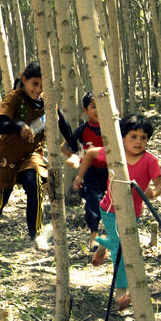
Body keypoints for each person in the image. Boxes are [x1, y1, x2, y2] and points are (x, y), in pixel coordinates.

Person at [71, 114, 161, 311]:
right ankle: (121, 293)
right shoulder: (115, 155)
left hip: (133, 212)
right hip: (109, 209)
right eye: (133, 137)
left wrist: (154, 193)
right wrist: (80, 176)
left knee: (118, 240)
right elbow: (90, 153)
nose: (138, 142)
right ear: (122, 137)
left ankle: (102, 245)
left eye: (143, 138)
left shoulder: (150, 160)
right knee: (121, 250)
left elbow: (160, 183)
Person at [0, 62, 73, 252]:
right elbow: (1, 125)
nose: (38, 90)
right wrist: (19, 127)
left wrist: (75, 147)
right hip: (9, 154)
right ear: (24, 80)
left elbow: (63, 124)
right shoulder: (13, 98)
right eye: (34, 84)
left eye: (42, 86)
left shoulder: (47, 101)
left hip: (32, 154)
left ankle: (37, 234)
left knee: (34, 182)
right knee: (1, 194)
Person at [63, 92, 107, 252]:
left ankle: (110, 235)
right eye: (94, 106)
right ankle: (94, 235)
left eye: (101, 105)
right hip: (89, 170)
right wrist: (74, 156)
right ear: (85, 110)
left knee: (113, 199)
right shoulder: (82, 130)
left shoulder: (112, 128)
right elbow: (65, 146)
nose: (98, 110)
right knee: (93, 199)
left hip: (110, 169)